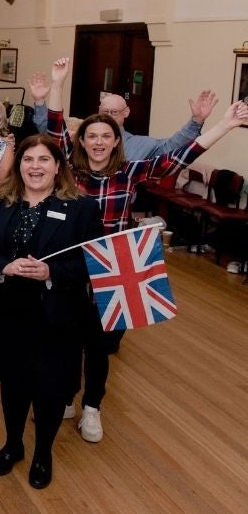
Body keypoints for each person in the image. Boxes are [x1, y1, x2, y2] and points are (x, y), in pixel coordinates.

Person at [44, 57, 248, 442]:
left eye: (106, 136)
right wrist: (57, 83)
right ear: (82, 142)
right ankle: (68, 396)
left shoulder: (131, 171)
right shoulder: (68, 169)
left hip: (115, 266)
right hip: (72, 265)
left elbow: (181, 157)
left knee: (101, 347)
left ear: (116, 140)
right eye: (92, 136)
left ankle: (92, 408)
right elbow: (54, 130)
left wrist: (224, 124)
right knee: (68, 338)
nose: (99, 142)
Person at [0, 135, 103, 490]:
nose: (34, 166)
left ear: (58, 166)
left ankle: (43, 452)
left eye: (43, 159)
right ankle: (13, 445)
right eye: (28, 159)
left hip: (56, 315)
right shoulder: (1, 201)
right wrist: (4, 265)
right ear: (19, 166)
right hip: (8, 311)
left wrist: (52, 273)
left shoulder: (82, 208)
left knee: (50, 389)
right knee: (13, 384)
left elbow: (93, 263)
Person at [29, 71, 219, 160]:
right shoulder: (81, 137)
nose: (109, 117)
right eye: (105, 112)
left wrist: (197, 121)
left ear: (126, 112)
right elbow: (52, 133)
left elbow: (172, 146)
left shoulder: (138, 145)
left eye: (115, 112)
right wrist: (39, 101)